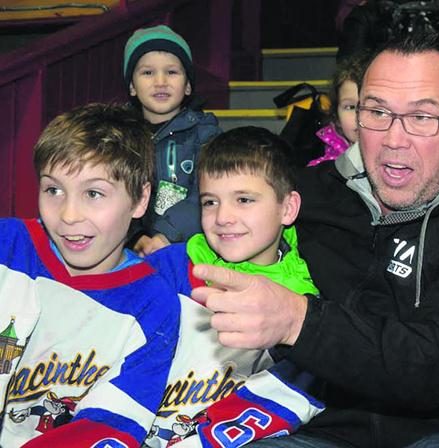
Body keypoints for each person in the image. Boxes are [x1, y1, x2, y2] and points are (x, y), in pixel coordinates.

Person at [190, 33, 439, 447]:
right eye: (377, 112)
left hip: (437, 432)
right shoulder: (311, 195)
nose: (394, 139)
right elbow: (228, 228)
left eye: (422, 117)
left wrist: (298, 319)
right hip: (310, 424)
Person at [0, 103, 180, 447]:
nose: (68, 215)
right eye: (53, 190)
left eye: (94, 193)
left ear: (140, 199)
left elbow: (110, 426)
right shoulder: (7, 248)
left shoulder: (153, 305)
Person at [143, 126, 324, 447]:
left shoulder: (310, 290)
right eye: (210, 202)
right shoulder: (171, 268)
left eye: (243, 199)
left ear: (288, 208)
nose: (223, 216)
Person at [123, 24, 222, 256]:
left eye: (172, 72)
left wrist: (166, 234)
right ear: (132, 86)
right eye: (147, 72)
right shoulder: (117, 136)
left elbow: (210, 193)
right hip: (127, 247)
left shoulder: (206, 135)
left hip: (185, 248)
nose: (160, 81)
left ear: (187, 86)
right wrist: (134, 235)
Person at [308, 55, 367, 166]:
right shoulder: (321, 172)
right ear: (337, 118)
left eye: (372, 107)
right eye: (350, 107)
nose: (360, 116)